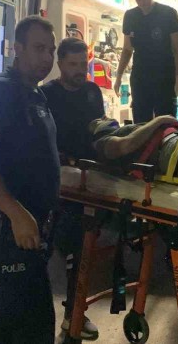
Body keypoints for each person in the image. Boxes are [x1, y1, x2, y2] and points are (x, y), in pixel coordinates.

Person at [0, 15, 59, 344]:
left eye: (51, 50)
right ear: (18, 49)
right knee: (25, 324)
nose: (47, 58)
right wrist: (17, 214)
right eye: (39, 49)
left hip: (33, 228)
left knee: (24, 322)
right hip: (9, 229)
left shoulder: (34, 94)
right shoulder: (2, 92)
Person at [40, 37, 103, 340]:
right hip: (55, 182)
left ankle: (73, 315)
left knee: (79, 251)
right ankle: (43, 321)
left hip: (87, 181)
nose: (80, 70)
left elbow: (99, 133)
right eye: (74, 64)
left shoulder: (92, 92)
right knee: (49, 253)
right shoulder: (46, 94)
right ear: (61, 64)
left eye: (84, 64)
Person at [114, 0, 178, 123]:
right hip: (140, 77)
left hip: (164, 77)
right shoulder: (130, 16)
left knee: (166, 122)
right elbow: (127, 49)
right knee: (141, 123)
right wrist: (119, 76)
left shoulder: (168, 14)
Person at [89, 115, 178, 180]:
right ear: (95, 132)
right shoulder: (101, 143)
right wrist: (159, 120)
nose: (105, 116)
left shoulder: (124, 131)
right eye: (100, 119)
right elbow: (127, 145)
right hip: (172, 148)